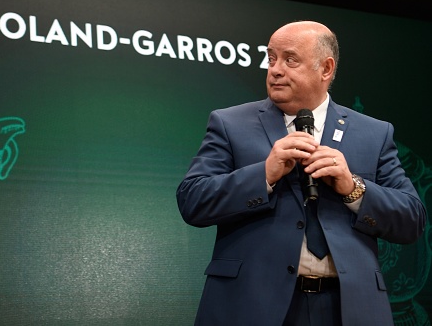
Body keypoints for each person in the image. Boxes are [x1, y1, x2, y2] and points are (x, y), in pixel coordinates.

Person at [176, 21, 426, 326]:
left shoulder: (374, 133)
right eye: (271, 58)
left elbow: (412, 220)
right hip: (253, 305)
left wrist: (353, 188)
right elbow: (193, 200)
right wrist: (264, 175)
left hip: (349, 309)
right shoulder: (230, 124)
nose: (275, 70)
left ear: (326, 68)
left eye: (290, 59)